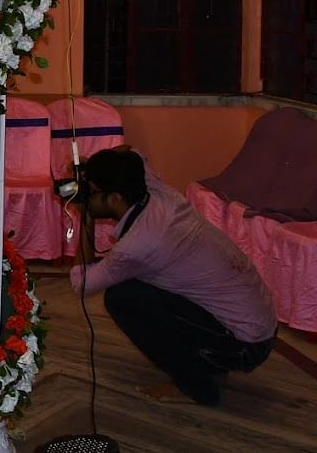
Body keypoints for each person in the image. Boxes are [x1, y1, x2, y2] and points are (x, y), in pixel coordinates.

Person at [70, 147, 276, 405]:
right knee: (138, 287)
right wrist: (95, 168)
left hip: (244, 345)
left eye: (91, 191)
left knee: (121, 298)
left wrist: (86, 217)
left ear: (114, 199)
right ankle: (209, 361)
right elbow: (133, 153)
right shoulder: (158, 192)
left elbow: (82, 283)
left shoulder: (138, 245)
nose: (85, 194)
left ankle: (195, 387)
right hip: (261, 324)